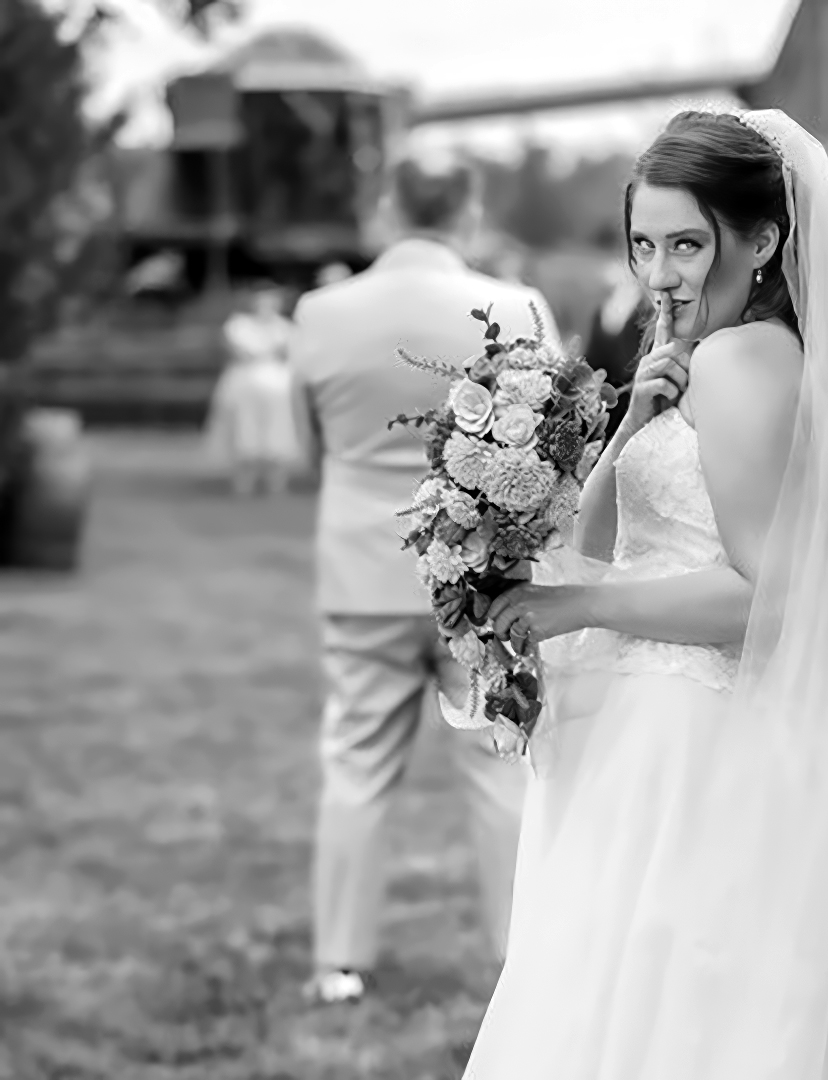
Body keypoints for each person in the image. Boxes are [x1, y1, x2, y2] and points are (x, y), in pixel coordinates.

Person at [461, 109, 828, 1078]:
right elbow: (606, 540)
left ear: (761, 241)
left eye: (688, 245)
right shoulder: (695, 363)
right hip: (651, 733)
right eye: (642, 243)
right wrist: (631, 427)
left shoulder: (744, 360)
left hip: (707, 750)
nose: (661, 274)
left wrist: (576, 609)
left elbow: (768, 603)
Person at [287, 147, 562, 1006]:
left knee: (354, 762)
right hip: (480, 578)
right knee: (498, 764)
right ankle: (522, 959)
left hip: (359, 571)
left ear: (386, 206)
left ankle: (339, 962)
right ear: (468, 210)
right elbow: (550, 456)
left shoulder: (319, 311)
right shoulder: (516, 306)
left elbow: (307, 449)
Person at [205, 283, 301, 495]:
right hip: (243, 385)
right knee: (244, 433)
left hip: (278, 387)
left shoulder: (285, 327)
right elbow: (240, 353)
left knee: (279, 435)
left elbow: (290, 354)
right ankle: (243, 487)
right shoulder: (237, 325)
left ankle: (276, 488)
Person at [582, 258, 652, 437]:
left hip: (626, 392)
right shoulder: (604, 306)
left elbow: (632, 358)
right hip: (601, 390)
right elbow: (592, 354)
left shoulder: (645, 310)